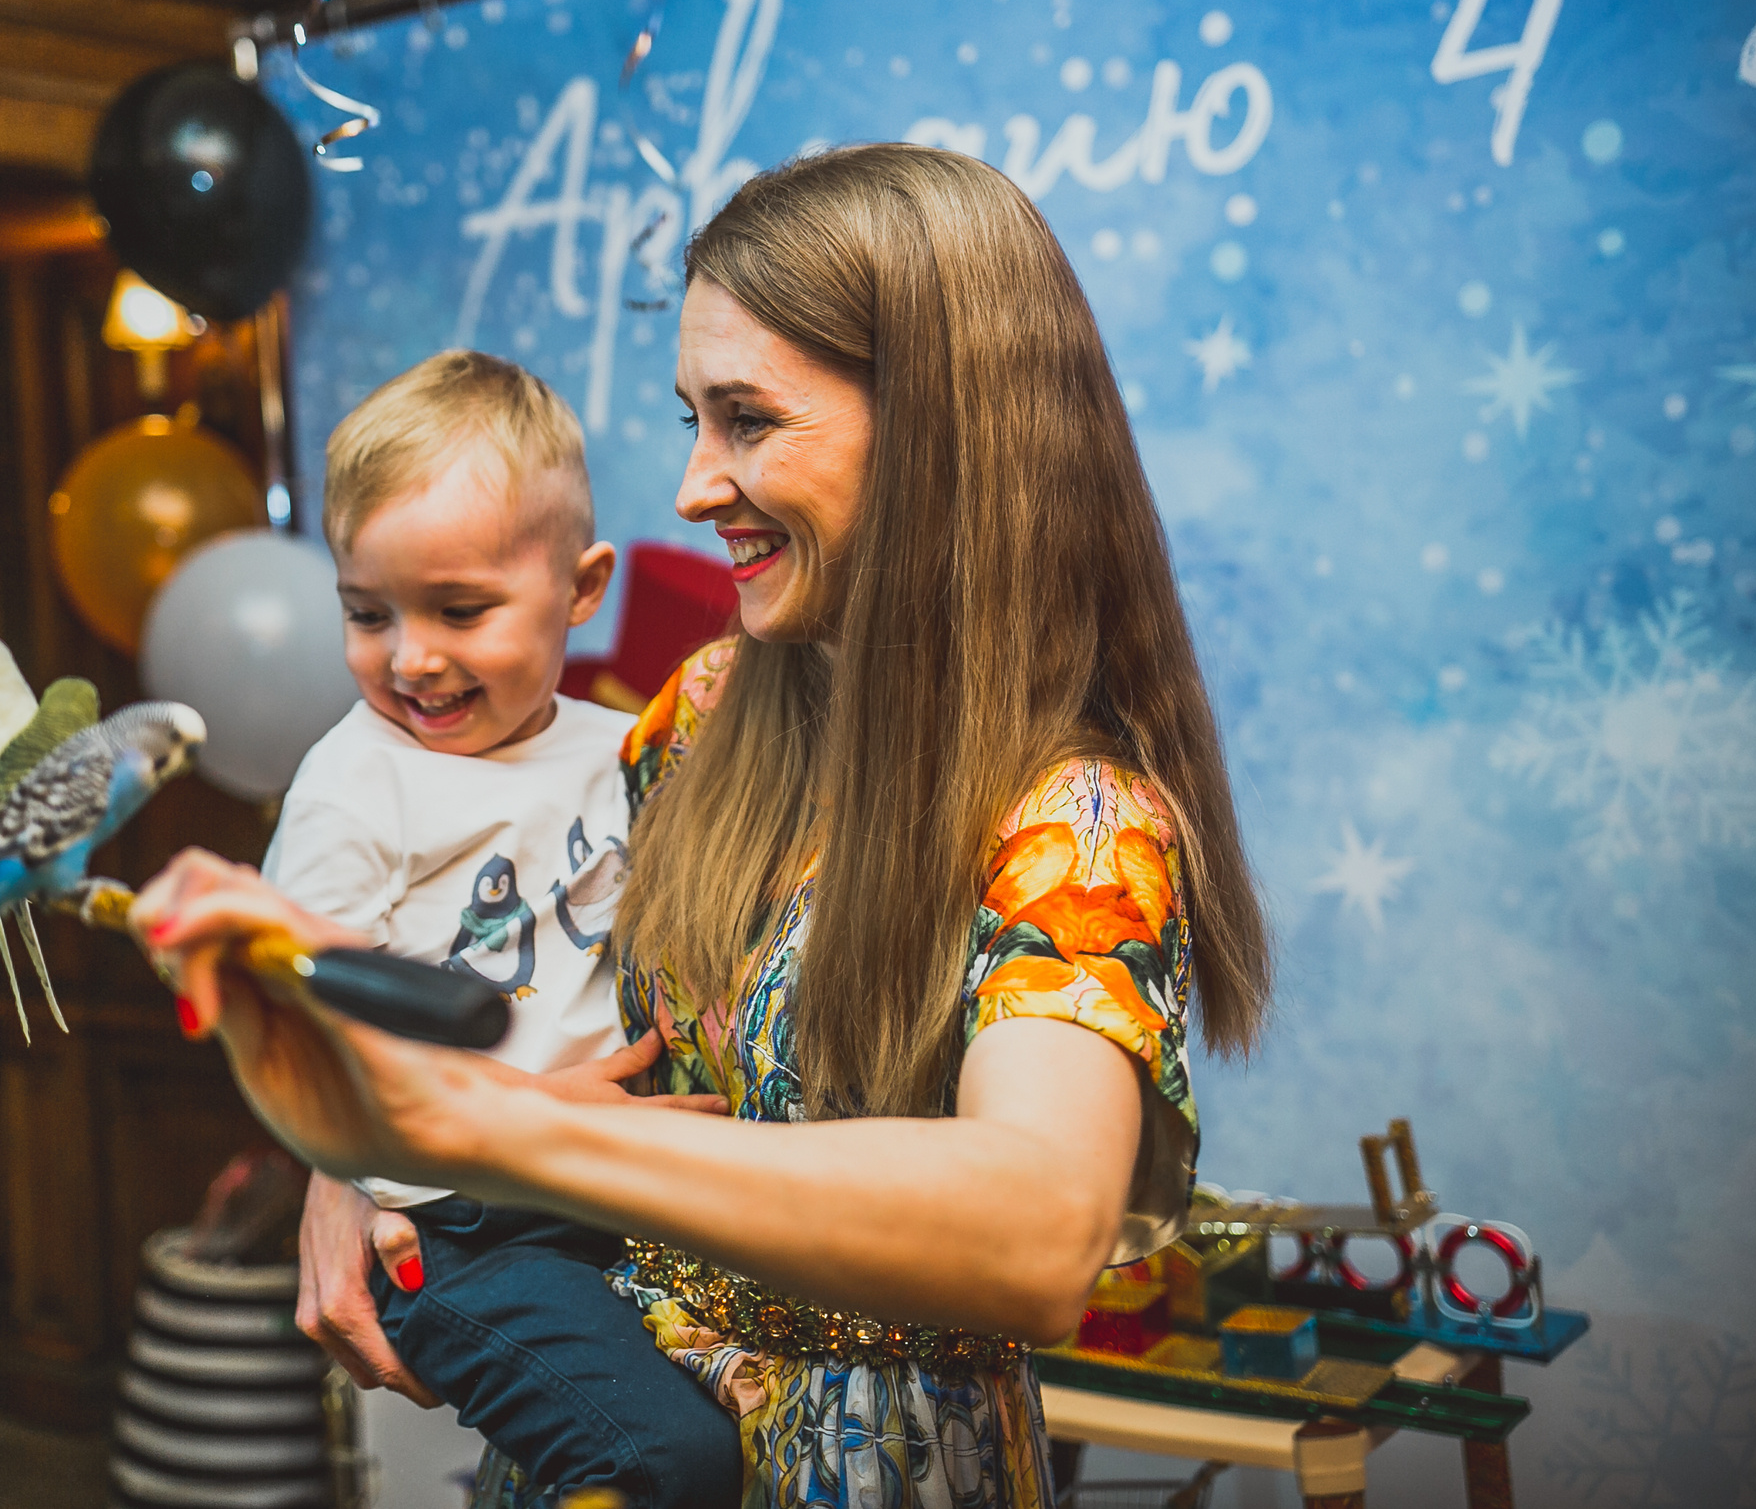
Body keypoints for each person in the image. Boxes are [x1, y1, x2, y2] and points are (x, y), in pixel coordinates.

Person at [138, 145, 1273, 1509]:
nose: (692, 483)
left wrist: (470, 1128)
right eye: (693, 417)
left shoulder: (1076, 821)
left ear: (934, 427)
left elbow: (1037, 1222)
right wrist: (358, 1170)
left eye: (747, 419)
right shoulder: (710, 707)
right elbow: (546, 977)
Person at [262, 349, 742, 1508]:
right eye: (367, 614)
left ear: (581, 590)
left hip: (610, 1194)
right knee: (662, 1464)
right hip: (462, 1234)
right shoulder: (354, 788)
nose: (410, 657)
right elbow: (299, 1052)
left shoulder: (617, 745)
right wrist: (514, 1115)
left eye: (460, 610)